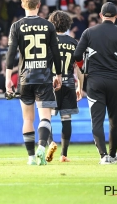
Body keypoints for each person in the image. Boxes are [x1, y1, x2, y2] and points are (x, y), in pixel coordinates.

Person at [5, 0, 62, 166]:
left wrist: (8, 78)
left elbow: (11, 54)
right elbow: (56, 53)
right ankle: (42, 148)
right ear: (39, 5)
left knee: (27, 119)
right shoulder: (48, 26)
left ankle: (30, 157)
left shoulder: (16, 26)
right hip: (44, 77)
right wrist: (58, 74)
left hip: (24, 78)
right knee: (45, 117)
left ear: (22, 5)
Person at [74, 2, 117, 164]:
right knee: (115, 121)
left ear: (100, 15)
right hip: (116, 82)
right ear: (116, 16)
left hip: (95, 82)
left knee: (97, 120)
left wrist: (83, 68)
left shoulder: (89, 32)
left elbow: (77, 55)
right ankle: (113, 154)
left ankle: (103, 156)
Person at [46, 11, 84, 163]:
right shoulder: (74, 43)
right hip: (68, 83)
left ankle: (50, 143)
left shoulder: (47, 41)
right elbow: (80, 68)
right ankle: (64, 155)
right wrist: (79, 87)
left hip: (50, 83)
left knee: (46, 117)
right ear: (68, 24)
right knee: (66, 119)